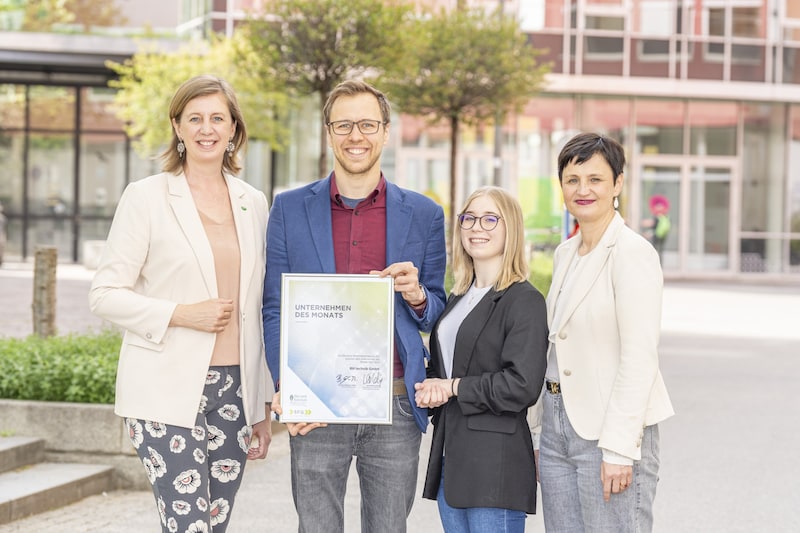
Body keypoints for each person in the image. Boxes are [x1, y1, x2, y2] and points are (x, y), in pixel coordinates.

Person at [89, 75, 273, 533]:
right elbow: (104, 294)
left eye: (217, 118)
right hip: (164, 389)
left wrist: (262, 408)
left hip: (236, 390)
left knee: (214, 521)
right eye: (194, 118)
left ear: (234, 129)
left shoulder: (254, 202)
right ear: (177, 126)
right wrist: (180, 313)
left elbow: (260, 308)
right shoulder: (146, 197)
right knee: (189, 524)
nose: (206, 128)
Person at [263, 79, 447, 533]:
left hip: (394, 403)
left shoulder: (425, 214)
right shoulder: (287, 209)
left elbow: (438, 309)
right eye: (343, 125)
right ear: (328, 133)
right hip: (317, 401)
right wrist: (290, 385)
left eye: (367, 124)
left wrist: (417, 294)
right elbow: (274, 308)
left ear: (386, 131)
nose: (356, 136)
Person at [531, 132, 674, 532]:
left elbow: (639, 357)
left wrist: (620, 449)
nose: (583, 189)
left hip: (610, 429)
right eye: (572, 180)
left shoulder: (632, 253)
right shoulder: (565, 254)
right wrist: (540, 431)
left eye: (595, 179)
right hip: (559, 426)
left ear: (618, 184)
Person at [414, 186, 548, 532]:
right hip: (452, 461)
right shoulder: (459, 296)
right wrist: (428, 384)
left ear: (511, 228)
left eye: (490, 219)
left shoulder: (524, 300)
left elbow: (522, 385)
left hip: (495, 467)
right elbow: (447, 368)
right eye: (469, 218)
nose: (477, 227)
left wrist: (453, 387)